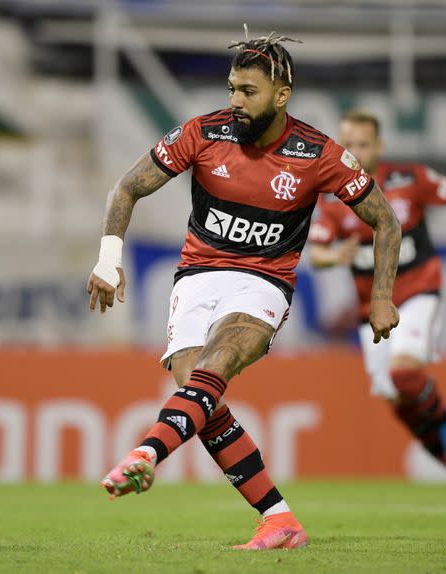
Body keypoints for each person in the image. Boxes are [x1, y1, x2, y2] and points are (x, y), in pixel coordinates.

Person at [86, 31, 401, 550]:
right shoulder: (202, 133)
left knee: (218, 365)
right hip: (197, 278)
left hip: (264, 283)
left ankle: (146, 454)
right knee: (199, 396)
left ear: (281, 97)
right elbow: (127, 187)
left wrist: (382, 295)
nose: (235, 100)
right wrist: (107, 260)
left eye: (248, 91)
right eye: (232, 88)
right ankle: (280, 520)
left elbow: (385, 221)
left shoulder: (317, 153)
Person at [308, 109, 446, 509]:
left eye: (362, 144)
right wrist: (337, 254)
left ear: (380, 147)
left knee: (404, 371)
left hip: (418, 289)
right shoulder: (335, 198)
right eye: (347, 144)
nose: (353, 151)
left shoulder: (410, 179)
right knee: (396, 399)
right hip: (370, 310)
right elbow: (317, 253)